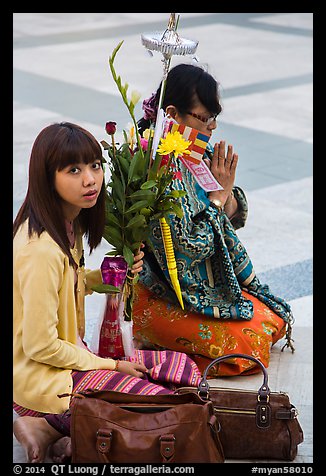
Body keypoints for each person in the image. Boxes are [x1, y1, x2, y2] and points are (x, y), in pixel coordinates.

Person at [13, 122, 202, 463]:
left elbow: (69, 283)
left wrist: (112, 276)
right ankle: (48, 424)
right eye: (73, 170)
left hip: (70, 361)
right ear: (47, 177)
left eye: (95, 166)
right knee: (159, 408)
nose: (90, 180)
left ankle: (57, 431)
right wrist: (111, 365)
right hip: (40, 380)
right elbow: (39, 345)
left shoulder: (65, 226)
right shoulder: (39, 250)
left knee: (183, 371)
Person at [133, 63, 294, 377]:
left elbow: (228, 218)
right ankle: (156, 354)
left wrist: (225, 196)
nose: (212, 127)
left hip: (201, 289)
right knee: (248, 345)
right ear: (172, 114)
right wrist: (217, 202)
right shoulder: (154, 169)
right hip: (161, 293)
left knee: (274, 316)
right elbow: (188, 249)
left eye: (214, 118)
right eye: (204, 118)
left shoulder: (191, 154)